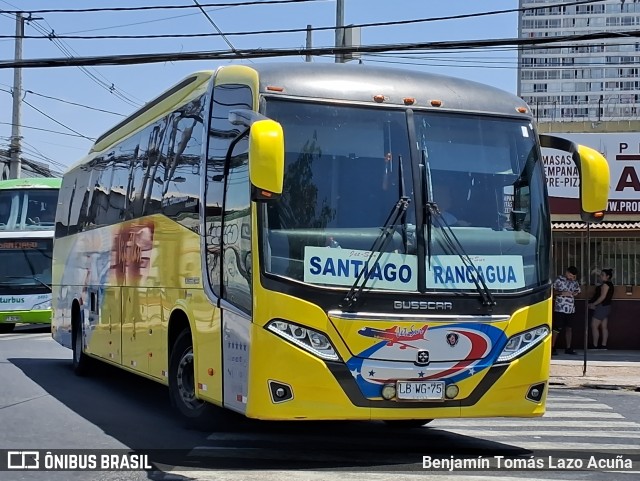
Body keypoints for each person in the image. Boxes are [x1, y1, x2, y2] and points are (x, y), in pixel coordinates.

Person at [551, 266, 580, 355]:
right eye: (570, 275)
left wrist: (575, 293)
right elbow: (552, 291)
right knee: (557, 328)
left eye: (573, 276)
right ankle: (552, 347)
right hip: (560, 308)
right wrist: (561, 293)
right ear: (566, 272)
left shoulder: (574, 282)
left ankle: (568, 347)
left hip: (570, 309)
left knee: (569, 328)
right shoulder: (559, 280)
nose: (571, 277)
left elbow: (578, 292)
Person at [588, 268, 614, 350]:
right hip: (607, 307)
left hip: (602, 306)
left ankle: (595, 345)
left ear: (608, 276)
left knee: (594, 325)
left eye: (602, 275)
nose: (600, 276)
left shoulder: (605, 285)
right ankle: (603, 345)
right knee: (604, 326)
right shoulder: (610, 285)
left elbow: (602, 297)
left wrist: (593, 304)